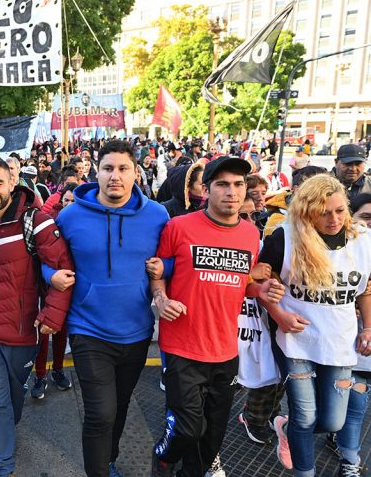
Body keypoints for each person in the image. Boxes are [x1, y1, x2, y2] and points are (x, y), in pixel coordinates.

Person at [151, 156, 285, 477]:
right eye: (223, 184)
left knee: (212, 439)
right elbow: (157, 270)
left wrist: (263, 291)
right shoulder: (178, 226)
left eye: (238, 185)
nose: (232, 192)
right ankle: (163, 456)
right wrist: (160, 296)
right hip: (182, 346)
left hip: (226, 351)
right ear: (207, 189)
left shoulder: (251, 234)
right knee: (187, 429)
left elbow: (244, 286)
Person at [46, 140, 170, 477]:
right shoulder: (71, 215)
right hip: (88, 329)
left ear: (135, 173)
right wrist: (50, 275)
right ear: (96, 172)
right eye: (108, 168)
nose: (115, 176)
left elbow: (173, 260)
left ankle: (109, 459)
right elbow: (46, 259)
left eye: (123, 168)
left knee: (120, 407)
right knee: (100, 413)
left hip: (136, 330)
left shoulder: (157, 215)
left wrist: (165, 268)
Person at [0, 157, 73, 477]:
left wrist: (52, 314)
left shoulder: (35, 221)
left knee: (13, 400)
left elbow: (64, 270)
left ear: (12, 183)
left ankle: (2, 437)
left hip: (23, 332)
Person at [257, 175, 371, 477]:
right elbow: (260, 285)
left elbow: (366, 288)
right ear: (307, 211)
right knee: (305, 417)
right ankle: (304, 472)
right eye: (324, 212)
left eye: (339, 210)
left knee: (333, 420)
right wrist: (278, 314)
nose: (333, 219)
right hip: (295, 340)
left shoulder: (362, 240)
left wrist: (368, 327)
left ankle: (285, 425)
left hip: (339, 340)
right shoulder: (284, 239)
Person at [329, 193, 371, 477]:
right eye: (366, 218)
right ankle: (350, 462)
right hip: (348, 345)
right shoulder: (336, 252)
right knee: (352, 408)